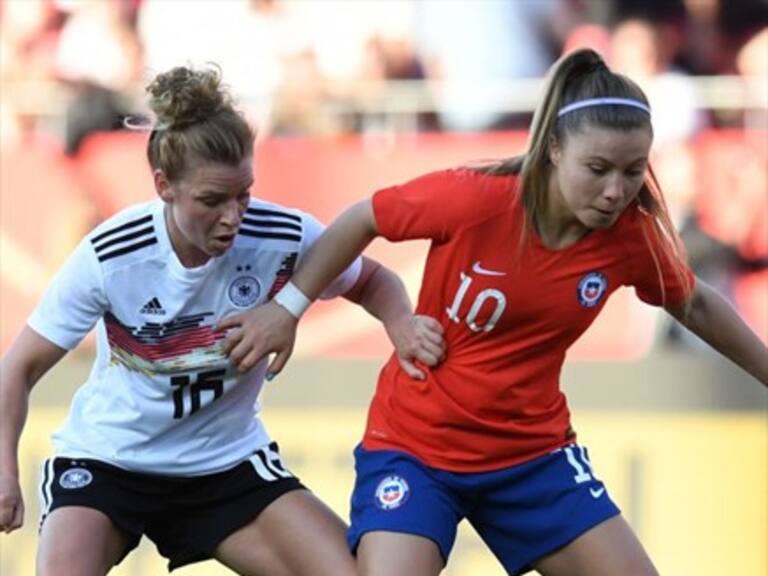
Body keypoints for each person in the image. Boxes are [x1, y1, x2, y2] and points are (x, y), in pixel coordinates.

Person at [220, 49, 768, 576]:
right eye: (598, 168)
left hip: (534, 458)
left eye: (632, 171)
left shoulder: (630, 237)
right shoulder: (475, 198)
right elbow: (362, 218)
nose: (615, 191)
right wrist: (288, 309)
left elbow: (693, 301)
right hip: (416, 450)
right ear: (553, 148)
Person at [0, 65, 445, 576]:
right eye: (212, 200)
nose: (233, 217)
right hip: (110, 462)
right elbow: (17, 368)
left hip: (226, 467)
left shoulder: (281, 234)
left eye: (244, 194)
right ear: (164, 186)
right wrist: (4, 471)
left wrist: (402, 324)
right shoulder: (112, 255)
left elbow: (371, 280)